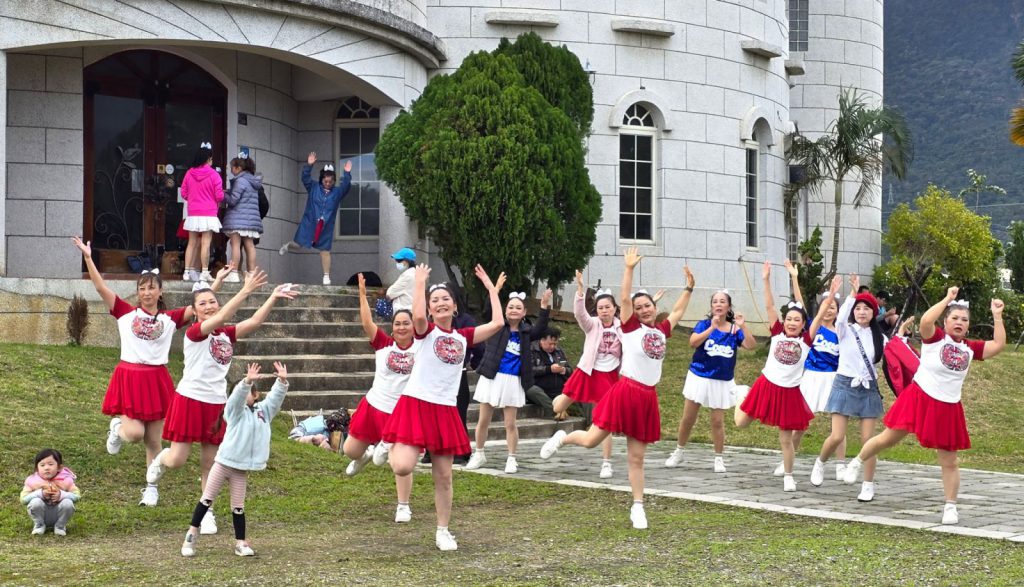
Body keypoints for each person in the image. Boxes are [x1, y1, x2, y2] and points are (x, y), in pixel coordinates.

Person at [540, 247, 695, 530]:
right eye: (639, 307)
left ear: (654, 307)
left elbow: (677, 311)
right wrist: (629, 269)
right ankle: (563, 438)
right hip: (625, 391)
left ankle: (638, 507)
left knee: (637, 458)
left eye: (648, 305)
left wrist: (688, 287)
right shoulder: (630, 328)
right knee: (590, 441)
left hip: (647, 397)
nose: (644, 309)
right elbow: (624, 298)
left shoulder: (661, 331)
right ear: (633, 313)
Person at [72, 236, 226, 507]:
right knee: (133, 434)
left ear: (160, 292)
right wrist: (87, 256)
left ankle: (151, 487)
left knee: (154, 440)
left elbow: (202, 306)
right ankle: (117, 427)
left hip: (157, 379)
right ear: (138, 291)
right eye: (142, 288)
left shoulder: (170, 319)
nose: (147, 292)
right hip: (130, 377)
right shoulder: (124, 313)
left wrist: (217, 283)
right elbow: (99, 287)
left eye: (152, 288)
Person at [146, 271, 298, 535]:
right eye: (202, 303)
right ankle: (160, 460)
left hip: (218, 404)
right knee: (178, 459)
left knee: (211, 463)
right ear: (194, 311)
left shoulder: (225, 334)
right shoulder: (195, 332)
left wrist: (272, 297)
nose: (209, 306)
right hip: (190, 399)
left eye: (212, 301)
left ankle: (206, 513)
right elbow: (222, 316)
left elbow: (253, 322)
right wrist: (246, 290)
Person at [843, 287, 1006, 525]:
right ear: (946, 321)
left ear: (968, 325)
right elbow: (927, 321)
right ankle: (857, 461)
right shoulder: (936, 337)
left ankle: (950, 506)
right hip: (921, 397)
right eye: (954, 318)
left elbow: (999, 344)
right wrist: (947, 299)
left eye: (964, 320)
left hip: (948, 406)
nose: (959, 322)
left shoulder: (970, 348)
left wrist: (997, 315)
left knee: (950, 461)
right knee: (888, 438)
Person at [382, 264, 506, 551]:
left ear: (454, 305)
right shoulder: (425, 332)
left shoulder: (463, 336)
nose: (440, 303)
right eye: (434, 300)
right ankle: (387, 446)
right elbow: (416, 317)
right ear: (429, 307)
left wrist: (491, 288)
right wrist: (419, 283)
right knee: (402, 466)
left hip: (445, 410)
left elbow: (498, 324)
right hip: (417, 404)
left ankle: (443, 530)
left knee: (444, 476)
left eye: (445, 299)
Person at [180, 361, 289, 557]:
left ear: (256, 395)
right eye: (242, 390)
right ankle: (192, 533)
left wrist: (281, 381)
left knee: (238, 507)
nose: (245, 393)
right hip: (223, 464)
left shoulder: (264, 412)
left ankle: (240, 542)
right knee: (206, 499)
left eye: (250, 390)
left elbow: (275, 399)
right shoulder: (234, 412)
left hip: (241, 469)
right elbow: (236, 399)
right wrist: (246, 381)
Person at [342, 273, 418, 524]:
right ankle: (364, 456)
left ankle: (403, 506)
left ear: (413, 326)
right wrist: (362, 295)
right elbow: (367, 323)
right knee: (350, 450)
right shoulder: (384, 344)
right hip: (374, 405)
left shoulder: (420, 347)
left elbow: (421, 316)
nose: (401, 327)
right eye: (397, 324)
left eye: (406, 323)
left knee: (399, 464)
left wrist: (419, 286)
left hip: (399, 413)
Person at [734, 260, 814, 493]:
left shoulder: (806, 340)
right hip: (766, 385)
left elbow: (811, 315)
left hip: (789, 392)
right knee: (740, 423)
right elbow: (769, 306)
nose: (791, 322)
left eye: (796, 320)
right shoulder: (777, 332)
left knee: (786, 439)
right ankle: (743, 394)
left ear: (802, 325)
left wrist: (795, 278)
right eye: (788, 318)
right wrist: (766, 279)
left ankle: (789, 476)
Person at [809, 275, 886, 502]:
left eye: (867, 308)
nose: (862, 312)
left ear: (874, 313)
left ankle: (868, 485)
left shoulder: (880, 337)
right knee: (837, 436)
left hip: (868, 388)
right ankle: (820, 463)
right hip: (844, 384)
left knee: (869, 441)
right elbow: (841, 316)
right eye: (858, 308)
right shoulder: (845, 329)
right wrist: (851, 295)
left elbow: (894, 358)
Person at [665, 285, 757, 473]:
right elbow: (693, 342)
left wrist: (743, 326)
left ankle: (718, 458)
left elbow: (751, 345)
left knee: (717, 421)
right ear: (711, 306)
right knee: (688, 418)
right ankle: (679, 451)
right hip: (699, 376)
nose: (718, 304)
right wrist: (712, 328)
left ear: (729, 306)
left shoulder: (734, 330)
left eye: (723, 301)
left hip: (722, 380)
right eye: (715, 301)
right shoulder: (704, 324)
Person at [467, 289, 551, 474]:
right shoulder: (497, 327)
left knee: (510, 423)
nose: (513, 310)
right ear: (504, 310)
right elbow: (489, 311)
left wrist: (544, 306)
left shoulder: (527, 332)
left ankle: (512, 458)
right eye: (510, 306)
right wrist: (494, 290)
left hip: (513, 380)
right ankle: (479, 453)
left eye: (518, 307)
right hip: (491, 377)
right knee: (483, 420)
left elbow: (541, 327)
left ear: (523, 313)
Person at [548, 270, 622, 478]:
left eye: (608, 307)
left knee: (603, 421)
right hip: (587, 372)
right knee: (558, 406)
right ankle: (561, 428)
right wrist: (580, 290)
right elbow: (580, 314)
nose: (604, 311)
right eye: (600, 308)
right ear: (596, 310)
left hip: (608, 376)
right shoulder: (592, 325)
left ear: (615, 308)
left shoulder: (621, 328)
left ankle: (606, 463)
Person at [278, 152, 352, 285]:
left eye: (330, 181)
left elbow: (346, 187)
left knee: (325, 250)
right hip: (309, 223)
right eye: (325, 181)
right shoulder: (313, 187)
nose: (328, 183)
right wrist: (309, 165)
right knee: (298, 245)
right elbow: (305, 178)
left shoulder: (337, 192)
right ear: (321, 179)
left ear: (334, 181)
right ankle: (288, 246)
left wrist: (347, 173)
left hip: (325, 226)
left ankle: (326, 276)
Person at [181, 142, 224, 282]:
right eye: (211, 159)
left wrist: (193, 198)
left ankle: (186, 272)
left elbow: (184, 193)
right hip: (209, 213)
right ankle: (204, 272)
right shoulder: (214, 175)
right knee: (206, 243)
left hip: (193, 213)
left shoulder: (189, 173)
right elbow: (219, 196)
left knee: (191, 242)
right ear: (208, 159)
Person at [221, 152, 263, 283]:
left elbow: (233, 200)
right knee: (249, 245)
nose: (230, 169)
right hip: (250, 219)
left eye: (232, 167)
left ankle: (234, 273)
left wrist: (223, 195)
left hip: (238, 218)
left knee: (235, 244)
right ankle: (251, 274)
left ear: (239, 168)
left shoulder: (240, 180)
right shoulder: (253, 181)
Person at [21, 449, 81, 536]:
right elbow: (23, 499)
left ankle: (60, 526)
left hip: (58, 513)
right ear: (37, 468)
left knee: (68, 502)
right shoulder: (32, 481)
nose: (46, 468)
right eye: (42, 465)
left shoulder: (66, 480)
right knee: (35, 502)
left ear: (59, 467)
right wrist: (40, 494)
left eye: (50, 464)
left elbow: (77, 496)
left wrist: (61, 495)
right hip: (40, 514)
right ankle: (39, 525)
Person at [525, 327, 573, 415]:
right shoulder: (531, 350)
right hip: (540, 388)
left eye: (555, 344)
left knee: (582, 388)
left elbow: (570, 370)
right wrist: (549, 369)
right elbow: (528, 370)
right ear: (542, 340)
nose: (553, 347)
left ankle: (594, 422)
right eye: (550, 344)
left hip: (559, 388)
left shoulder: (559, 351)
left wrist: (564, 370)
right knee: (531, 390)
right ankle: (557, 411)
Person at [386, 248, 417, 312]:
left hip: (404, 311)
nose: (397, 262)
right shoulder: (414, 273)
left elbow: (390, 293)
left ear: (407, 261)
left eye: (399, 260)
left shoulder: (408, 276)